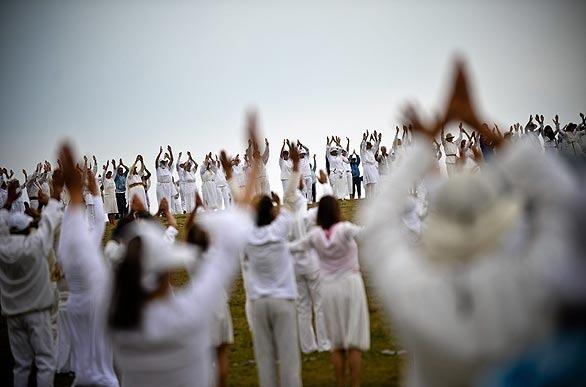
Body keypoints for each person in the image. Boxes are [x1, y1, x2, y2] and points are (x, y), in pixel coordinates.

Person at [290, 172, 370, 387]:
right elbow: (366, 233)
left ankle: (341, 382)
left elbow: (293, 248)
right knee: (353, 341)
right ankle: (354, 384)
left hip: (328, 286)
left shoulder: (315, 235)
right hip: (351, 283)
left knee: (338, 343)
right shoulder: (345, 229)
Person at [57, 148, 119, 387]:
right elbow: (97, 224)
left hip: (73, 302)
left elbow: (82, 223)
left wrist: (71, 189)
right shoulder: (87, 246)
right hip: (93, 302)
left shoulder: (64, 246)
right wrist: (89, 185)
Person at [243, 145, 302, 387]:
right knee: (289, 360)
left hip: (258, 303)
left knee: (265, 361)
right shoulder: (280, 228)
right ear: (273, 212)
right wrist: (297, 168)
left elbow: (241, 205)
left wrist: (232, 176)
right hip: (283, 301)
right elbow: (289, 200)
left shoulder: (246, 234)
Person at [0, 176, 63, 387]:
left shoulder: (3, 247)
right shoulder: (35, 244)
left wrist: (7, 204)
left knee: (20, 365)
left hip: (12, 315)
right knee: (45, 361)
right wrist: (54, 196)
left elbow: (1, 226)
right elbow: (49, 221)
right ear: (28, 228)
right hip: (37, 312)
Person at [287, 164, 330, 354]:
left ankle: (307, 346)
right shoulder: (309, 216)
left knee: (303, 306)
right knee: (319, 304)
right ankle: (324, 343)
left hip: (294, 265)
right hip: (312, 262)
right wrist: (326, 184)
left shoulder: (285, 219)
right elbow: (328, 204)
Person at [360, 130, 381, 198]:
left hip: (373, 167)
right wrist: (364, 138)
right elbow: (362, 146)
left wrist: (378, 139)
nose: (368, 146)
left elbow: (376, 146)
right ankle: (368, 197)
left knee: (374, 182)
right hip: (367, 167)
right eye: (367, 145)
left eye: (369, 145)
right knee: (369, 183)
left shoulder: (372, 151)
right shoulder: (363, 152)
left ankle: (373, 196)